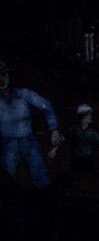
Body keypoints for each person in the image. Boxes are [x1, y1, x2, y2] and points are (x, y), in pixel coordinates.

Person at [0, 60, 58, 189]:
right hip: (8, 144)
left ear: (8, 76)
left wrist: (54, 129)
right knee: (6, 182)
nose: (1, 80)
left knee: (41, 178)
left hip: (29, 141)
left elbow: (46, 106)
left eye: (3, 75)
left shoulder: (24, 94)